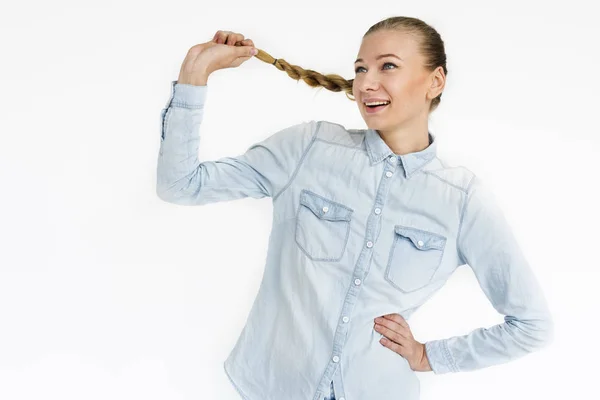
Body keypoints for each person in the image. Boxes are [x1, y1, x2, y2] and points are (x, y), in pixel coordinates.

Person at [156, 16, 554, 400]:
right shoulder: (310, 148)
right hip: (272, 386)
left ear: (435, 81)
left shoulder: (462, 200)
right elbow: (181, 185)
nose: (367, 83)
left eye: (388, 67)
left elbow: (531, 325)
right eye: (361, 69)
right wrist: (195, 73)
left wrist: (429, 356)